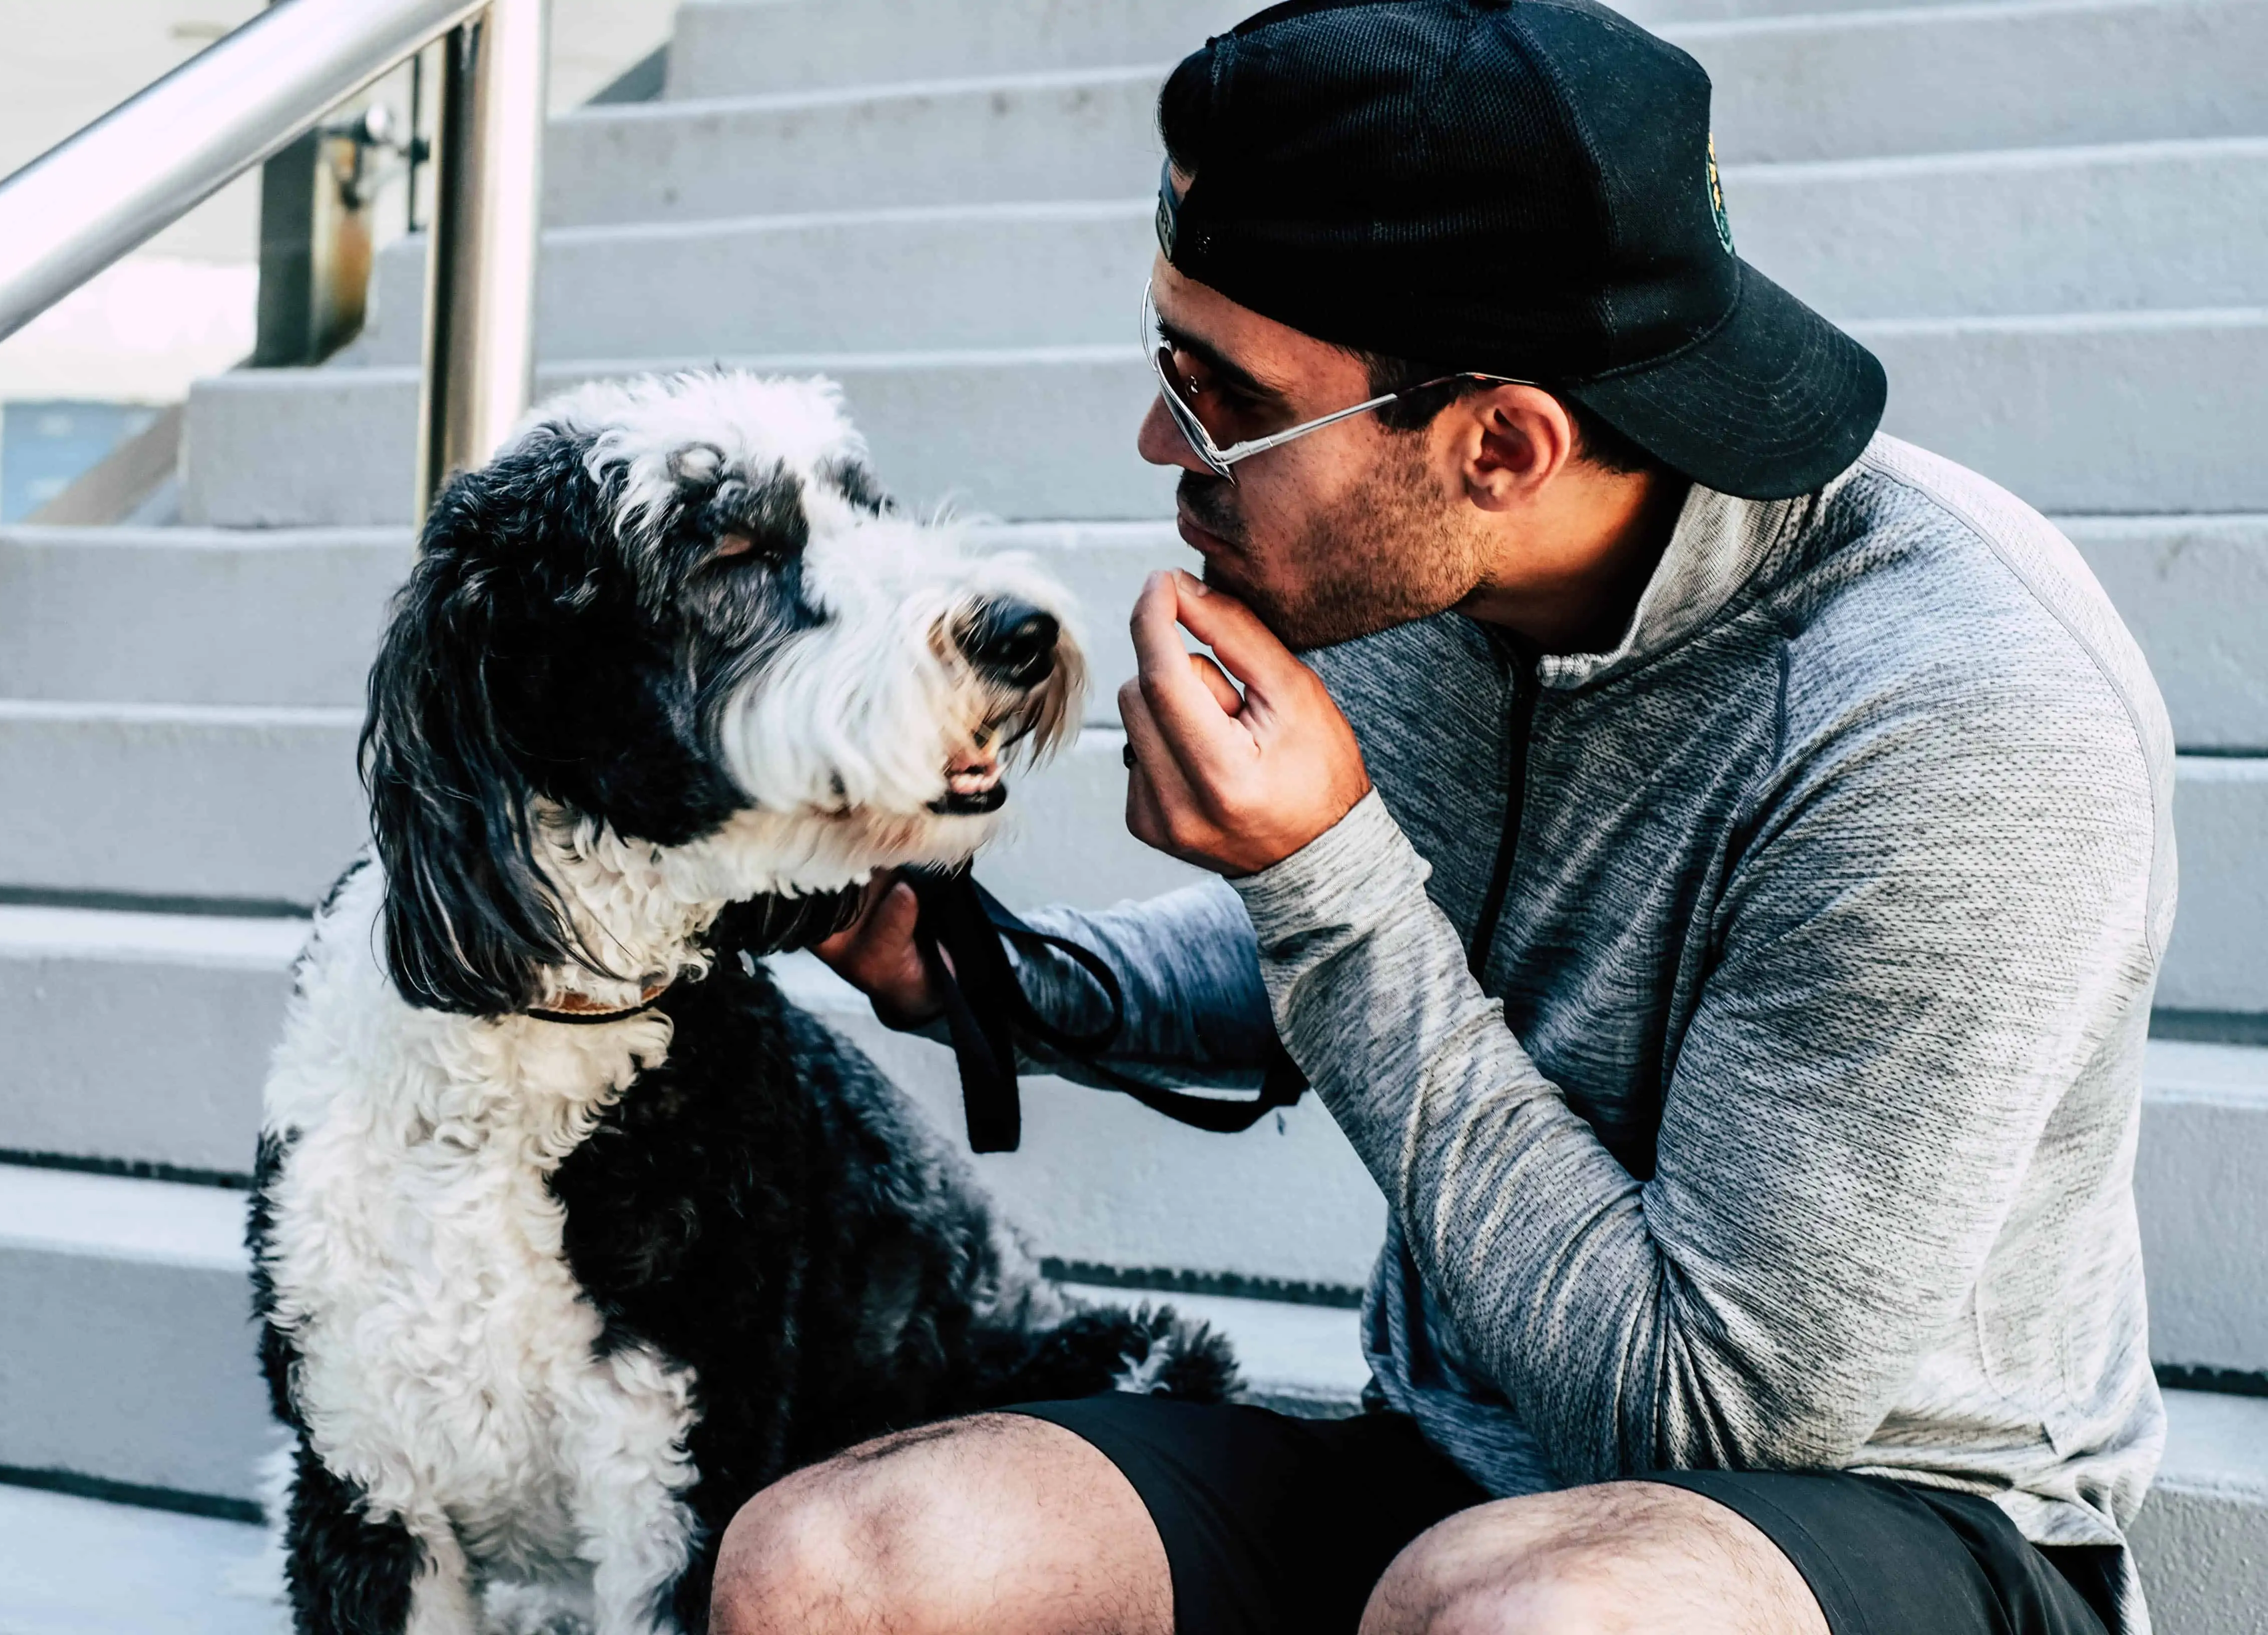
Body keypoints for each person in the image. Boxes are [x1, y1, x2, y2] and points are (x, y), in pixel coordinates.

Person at [717, 2, 2175, 1631]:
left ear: (1499, 443)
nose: (1159, 442)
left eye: (1222, 395)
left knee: (1515, 1618)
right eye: (1167, 360)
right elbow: (1394, 954)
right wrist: (1004, 976)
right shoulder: (1419, 559)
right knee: (836, 1573)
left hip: (1876, 1523)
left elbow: (1707, 1413)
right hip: (1444, 1466)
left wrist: (1318, 878)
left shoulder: (1956, 727)